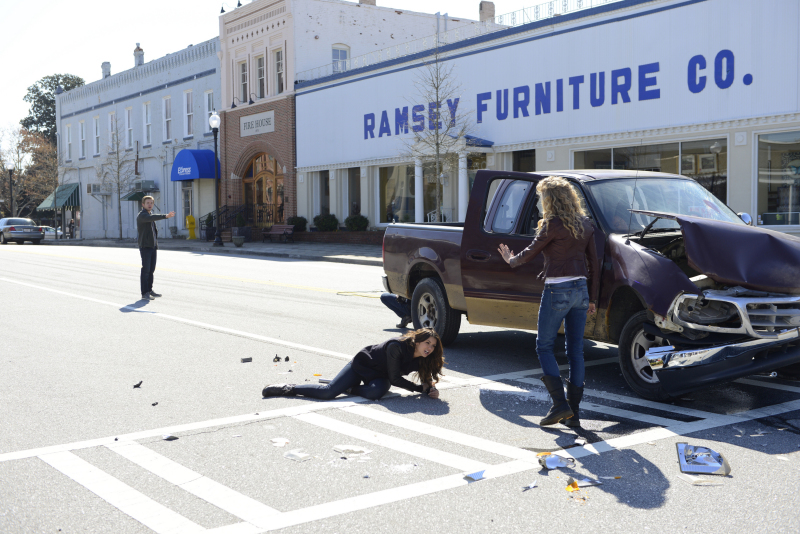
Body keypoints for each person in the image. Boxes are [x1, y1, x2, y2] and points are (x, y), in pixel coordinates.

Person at [498, 176, 599, 427]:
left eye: (542, 197)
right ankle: (573, 412)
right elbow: (595, 264)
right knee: (575, 351)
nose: (539, 201)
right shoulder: (586, 224)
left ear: (550, 199)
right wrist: (593, 299)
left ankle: (559, 405)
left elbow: (529, 253)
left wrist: (510, 259)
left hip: (558, 289)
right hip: (581, 290)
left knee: (544, 346)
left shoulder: (552, 224)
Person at [262, 328, 444, 401]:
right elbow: (396, 379)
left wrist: (430, 389)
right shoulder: (397, 346)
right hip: (363, 365)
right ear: (418, 340)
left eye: (433, 346)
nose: (430, 348)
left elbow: (426, 378)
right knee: (328, 393)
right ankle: (289, 388)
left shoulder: (424, 357)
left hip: (381, 375)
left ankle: (348, 388)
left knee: (375, 393)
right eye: (427, 343)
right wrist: (419, 390)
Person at [137, 196, 175, 301]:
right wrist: (165, 216)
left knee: (151, 270)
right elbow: (151, 218)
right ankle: (144, 293)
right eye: (148, 203)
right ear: (143, 205)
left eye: (151, 203)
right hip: (145, 246)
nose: (150, 204)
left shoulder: (149, 215)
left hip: (153, 246)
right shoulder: (142, 216)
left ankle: (149, 290)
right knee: (146, 270)